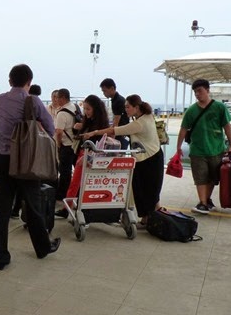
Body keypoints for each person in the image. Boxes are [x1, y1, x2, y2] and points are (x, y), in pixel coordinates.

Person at [0, 64, 61, 270]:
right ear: (29, 81)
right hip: (27, 160)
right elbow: (50, 128)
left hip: (3, 158)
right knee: (33, 205)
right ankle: (43, 247)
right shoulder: (33, 100)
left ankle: (1, 256)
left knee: (2, 209)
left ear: (10, 80)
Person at [83, 94, 164, 227]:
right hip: (151, 156)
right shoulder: (147, 116)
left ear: (136, 107)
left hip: (148, 159)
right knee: (147, 189)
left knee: (146, 190)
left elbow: (116, 130)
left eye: (127, 107)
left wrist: (94, 132)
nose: (125, 109)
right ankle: (149, 218)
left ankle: (149, 219)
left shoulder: (139, 123)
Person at [177, 78, 231, 214]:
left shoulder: (220, 107)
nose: (197, 94)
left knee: (213, 178)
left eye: (199, 91)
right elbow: (183, 129)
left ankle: (206, 200)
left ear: (207, 90)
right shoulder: (191, 111)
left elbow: (227, 127)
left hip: (216, 149)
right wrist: (178, 147)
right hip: (197, 150)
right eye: (195, 92)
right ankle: (203, 203)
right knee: (200, 177)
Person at [63, 94, 110, 201]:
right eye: (84, 109)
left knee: (77, 182)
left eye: (88, 109)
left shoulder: (99, 125)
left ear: (95, 109)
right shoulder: (90, 121)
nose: (85, 111)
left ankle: (69, 205)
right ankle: (76, 204)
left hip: (87, 155)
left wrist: (86, 156)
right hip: (83, 153)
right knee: (80, 182)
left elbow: (98, 142)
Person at [54, 88, 81, 202]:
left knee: (64, 171)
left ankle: (62, 194)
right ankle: (77, 193)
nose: (56, 100)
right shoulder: (75, 107)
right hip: (76, 144)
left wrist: (58, 144)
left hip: (66, 145)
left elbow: (59, 132)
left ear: (63, 98)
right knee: (77, 171)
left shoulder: (61, 113)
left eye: (57, 98)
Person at [100, 78, 130, 150]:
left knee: (118, 155)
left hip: (121, 134)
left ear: (112, 88)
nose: (104, 93)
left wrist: (111, 138)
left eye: (105, 91)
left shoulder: (118, 101)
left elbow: (116, 122)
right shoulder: (116, 100)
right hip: (122, 132)